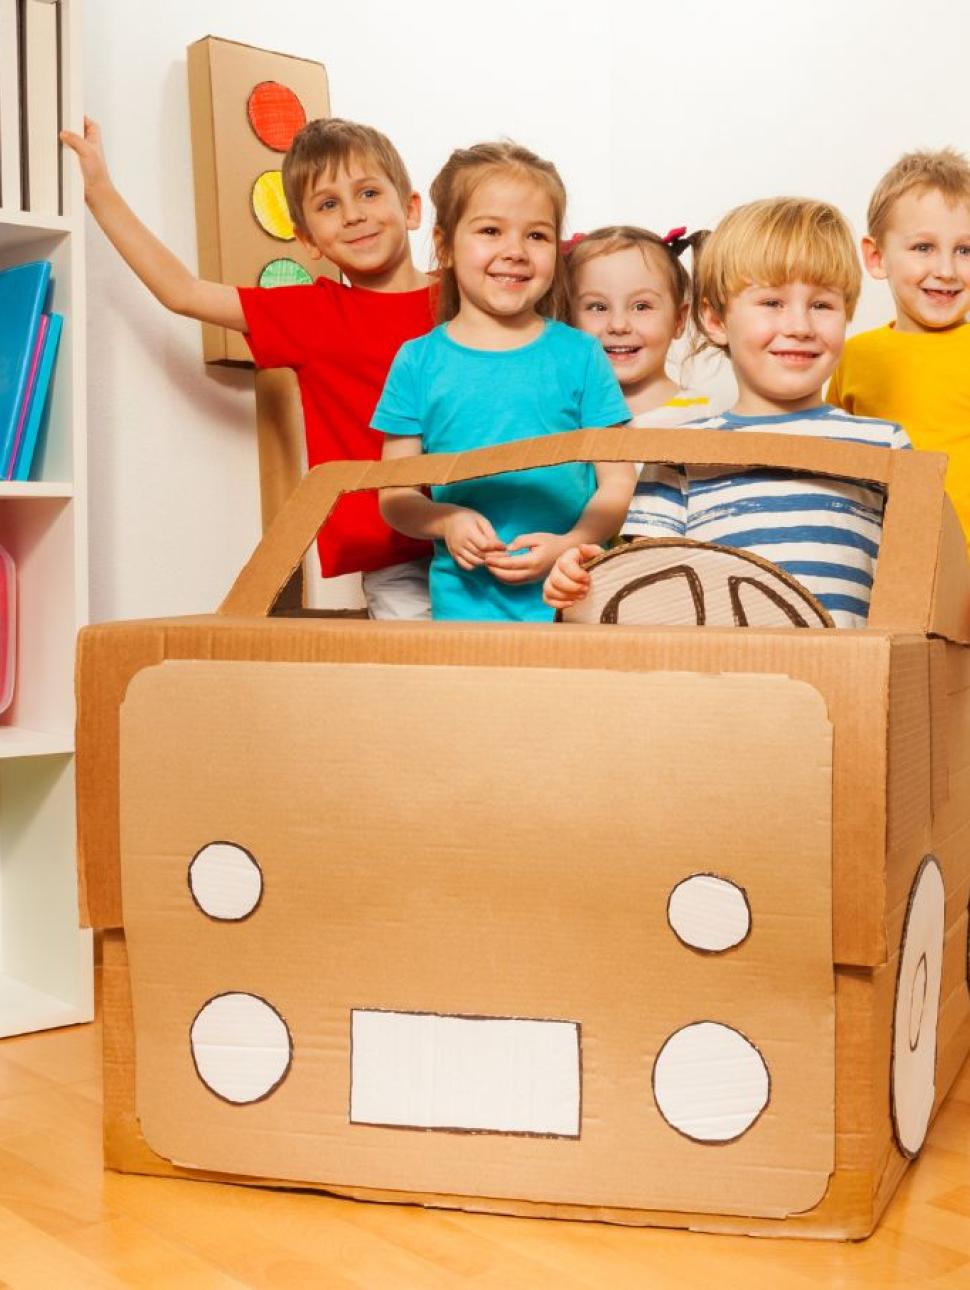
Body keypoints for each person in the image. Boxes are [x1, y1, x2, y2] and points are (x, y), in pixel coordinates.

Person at [61, 116, 436, 619]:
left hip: (501, 528)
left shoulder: (466, 295)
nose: (353, 215)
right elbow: (184, 293)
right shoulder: (313, 314)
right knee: (429, 683)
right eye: (329, 205)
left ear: (410, 208)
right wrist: (99, 192)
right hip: (399, 558)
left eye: (368, 193)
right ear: (308, 241)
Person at [545, 197, 911, 627]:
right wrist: (584, 580)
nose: (799, 326)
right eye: (772, 302)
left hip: (845, 685)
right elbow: (645, 593)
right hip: (720, 687)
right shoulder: (680, 452)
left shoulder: (885, 445)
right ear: (716, 320)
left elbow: (914, 588)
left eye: (822, 305)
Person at [375, 141, 634, 621]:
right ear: (444, 245)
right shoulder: (417, 362)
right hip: (464, 605)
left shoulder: (580, 355)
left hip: (575, 597)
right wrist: (445, 520)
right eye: (491, 230)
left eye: (536, 235)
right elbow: (395, 495)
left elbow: (616, 483)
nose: (514, 251)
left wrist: (571, 545)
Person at [828, 149, 970, 548]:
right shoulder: (851, 356)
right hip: (888, 564)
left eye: (966, 250)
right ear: (876, 257)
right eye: (923, 247)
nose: (946, 269)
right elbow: (837, 460)